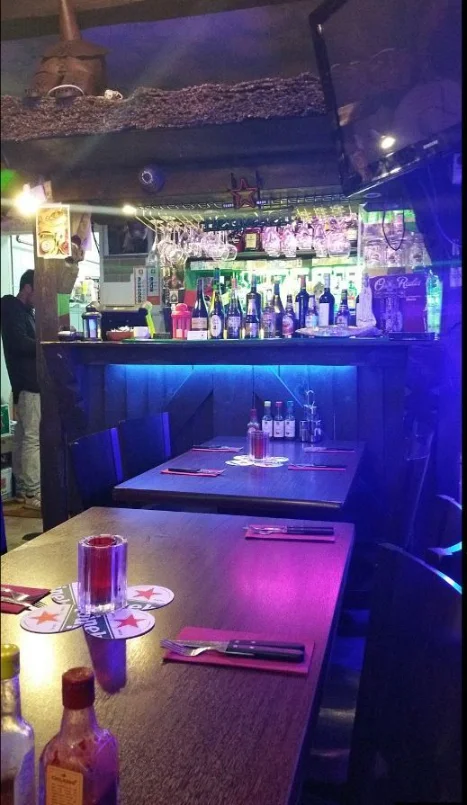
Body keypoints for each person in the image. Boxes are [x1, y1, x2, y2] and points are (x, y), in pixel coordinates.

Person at [1, 269, 41, 511]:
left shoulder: (23, 312)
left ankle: (22, 490)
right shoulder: (12, 309)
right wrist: (44, 343)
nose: (40, 298)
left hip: (24, 383)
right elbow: (20, 344)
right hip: (28, 383)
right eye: (38, 292)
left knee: (23, 436)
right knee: (31, 438)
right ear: (27, 288)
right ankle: (32, 493)